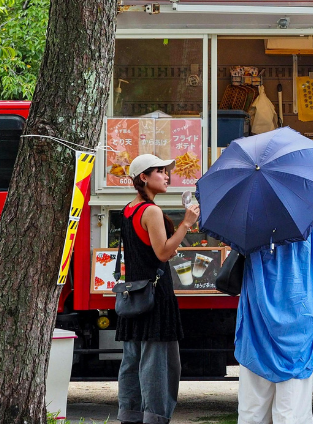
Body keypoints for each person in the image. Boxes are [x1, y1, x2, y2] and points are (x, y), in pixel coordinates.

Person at [117, 153, 200, 424]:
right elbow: (163, 252)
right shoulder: (151, 211)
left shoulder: (128, 209)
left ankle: (130, 415)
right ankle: (155, 418)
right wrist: (186, 223)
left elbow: (149, 251)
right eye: (161, 171)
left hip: (134, 295)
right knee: (159, 366)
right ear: (144, 177)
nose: (167, 176)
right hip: (155, 296)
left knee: (132, 362)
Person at [234, 215, 313, 424]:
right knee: (292, 412)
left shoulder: (253, 212)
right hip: (300, 311)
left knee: (253, 409)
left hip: (258, 318)